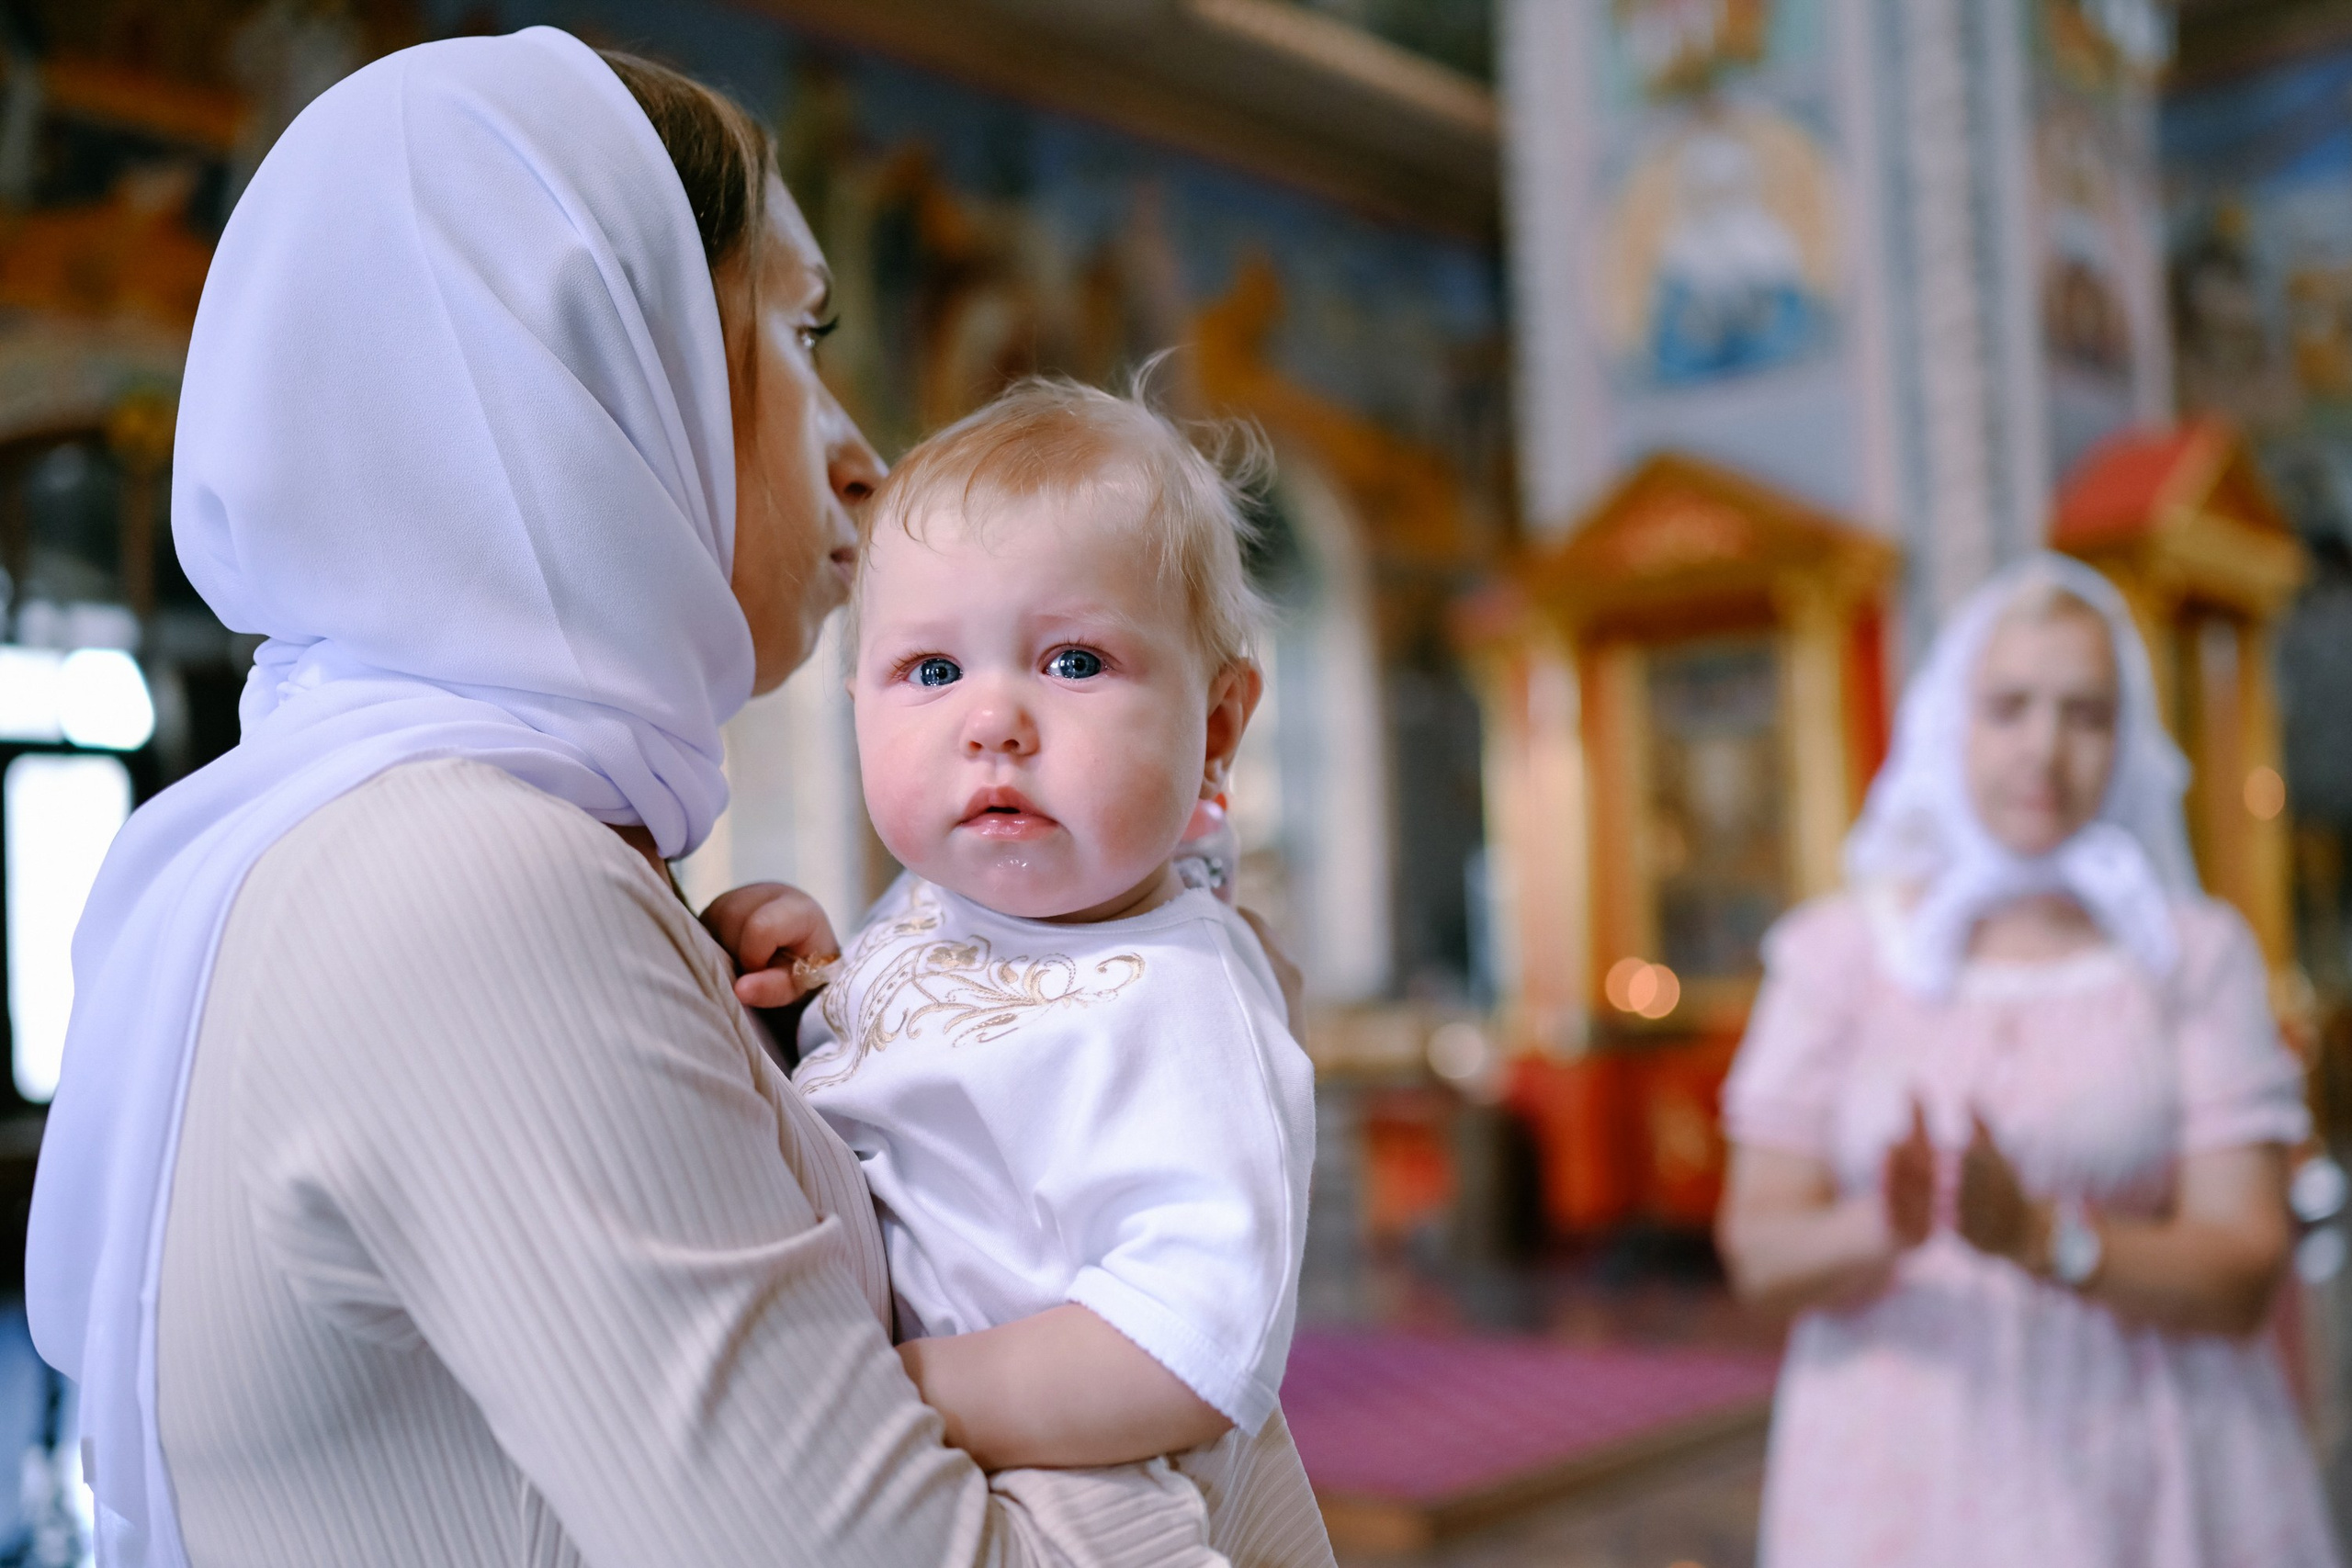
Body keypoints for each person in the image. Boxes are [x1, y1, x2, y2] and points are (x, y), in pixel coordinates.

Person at [25, 29, 1331, 1568]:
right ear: (583, 358)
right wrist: (1192, 1428)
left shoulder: (425, 839)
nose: (865, 458)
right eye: (801, 334)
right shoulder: (471, 885)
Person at [704, 379, 1310, 1489]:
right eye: (930, 672)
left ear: (1216, 725)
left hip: (1044, 1499)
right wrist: (809, 991)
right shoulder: (933, 910)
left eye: (1073, 662)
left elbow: (1187, 1346)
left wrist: (887, 1396)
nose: (991, 723)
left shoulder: (1177, 1002)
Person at [1715, 553, 2339, 1567]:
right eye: (2008, 706)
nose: (2042, 749)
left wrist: (2052, 1240)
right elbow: (1757, 1254)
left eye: (2084, 714)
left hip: (2149, 1451)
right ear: (1948, 721)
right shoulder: (1837, 954)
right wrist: (1888, 1221)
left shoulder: (2190, 954)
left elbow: (2243, 1269)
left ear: (2126, 739)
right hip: (1899, 1461)